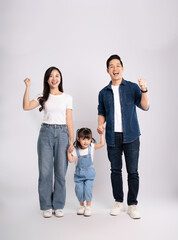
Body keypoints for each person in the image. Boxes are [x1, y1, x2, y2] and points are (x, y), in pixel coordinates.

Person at [97, 55, 149, 219]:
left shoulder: (132, 88)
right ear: (107, 71)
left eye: (118, 65)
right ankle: (118, 202)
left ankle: (132, 204)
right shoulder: (103, 93)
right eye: (111, 66)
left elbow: (145, 106)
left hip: (131, 135)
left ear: (122, 68)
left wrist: (144, 89)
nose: (115, 68)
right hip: (112, 136)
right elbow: (101, 112)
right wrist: (100, 124)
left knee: (133, 171)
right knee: (115, 170)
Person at [23, 66, 74, 218]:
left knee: (60, 172)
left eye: (57, 75)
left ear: (60, 78)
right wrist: (27, 87)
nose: (54, 78)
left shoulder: (67, 97)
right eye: (51, 76)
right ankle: (46, 205)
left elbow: (69, 119)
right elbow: (26, 107)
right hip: (45, 133)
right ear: (47, 79)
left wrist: (71, 141)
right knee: (45, 172)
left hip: (63, 134)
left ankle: (58, 205)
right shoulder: (42, 96)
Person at [68, 128, 105, 217]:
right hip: (79, 175)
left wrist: (101, 134)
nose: (86, 141)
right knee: (79, 191)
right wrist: (68, 151)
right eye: (83, 139)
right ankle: (81, 206)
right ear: (78, 139)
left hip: (89, 175)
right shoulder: (75, 150)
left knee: (88, 190)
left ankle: (88, 206)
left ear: (91, 139)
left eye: (88, 139)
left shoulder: (91, 147)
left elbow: (102, 144)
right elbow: (71, 160)